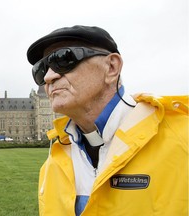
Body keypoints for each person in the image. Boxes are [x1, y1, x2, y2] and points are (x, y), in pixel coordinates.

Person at [26, 25, 188, 216]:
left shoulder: (182, 140)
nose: (49, 77)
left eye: (64, 59)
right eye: (41, 69)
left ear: (111, 67)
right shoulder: (53, 165)